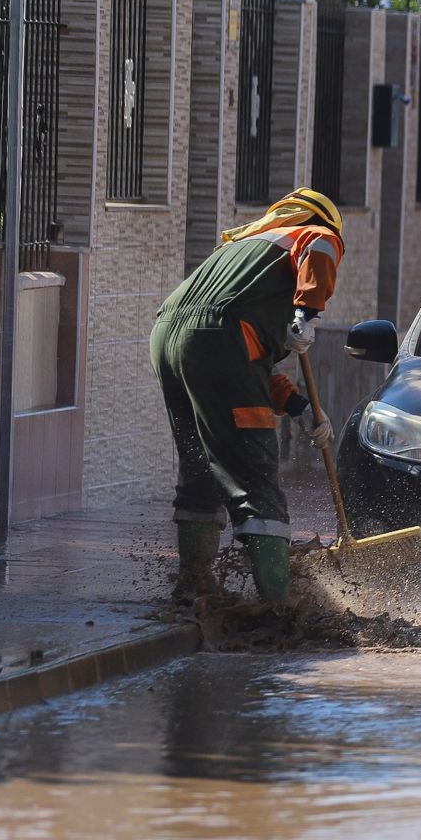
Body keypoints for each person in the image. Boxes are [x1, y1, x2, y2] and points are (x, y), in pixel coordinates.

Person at [150, 189, 344, 605]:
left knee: (201, 460)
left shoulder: (244, 247)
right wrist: (306, 315)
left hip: (168, 334)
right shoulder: (313, 234)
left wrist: (301, 409)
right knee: (255, 469)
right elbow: (322, 246)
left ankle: (194, 585)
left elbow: (246, 368)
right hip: (220, 338)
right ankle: (278, 605)